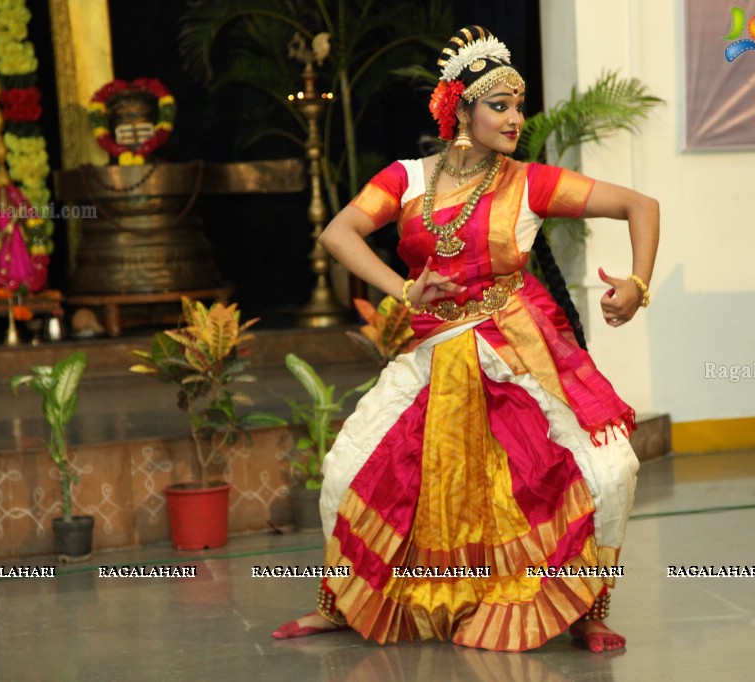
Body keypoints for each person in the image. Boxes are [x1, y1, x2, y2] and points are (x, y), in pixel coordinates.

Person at [272, 25, 659, 654]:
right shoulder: (406, 179)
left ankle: (590, 607)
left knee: (610, 469)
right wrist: (401, 290)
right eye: (499, 106)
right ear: (461, 109)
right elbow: (339, 233)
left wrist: (638, 284)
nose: (515, 118)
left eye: (518, 105)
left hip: (519, 348)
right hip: (434, 349)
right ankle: (338, 602)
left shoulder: (530, 182)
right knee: (345, 471)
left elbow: (642, 205)